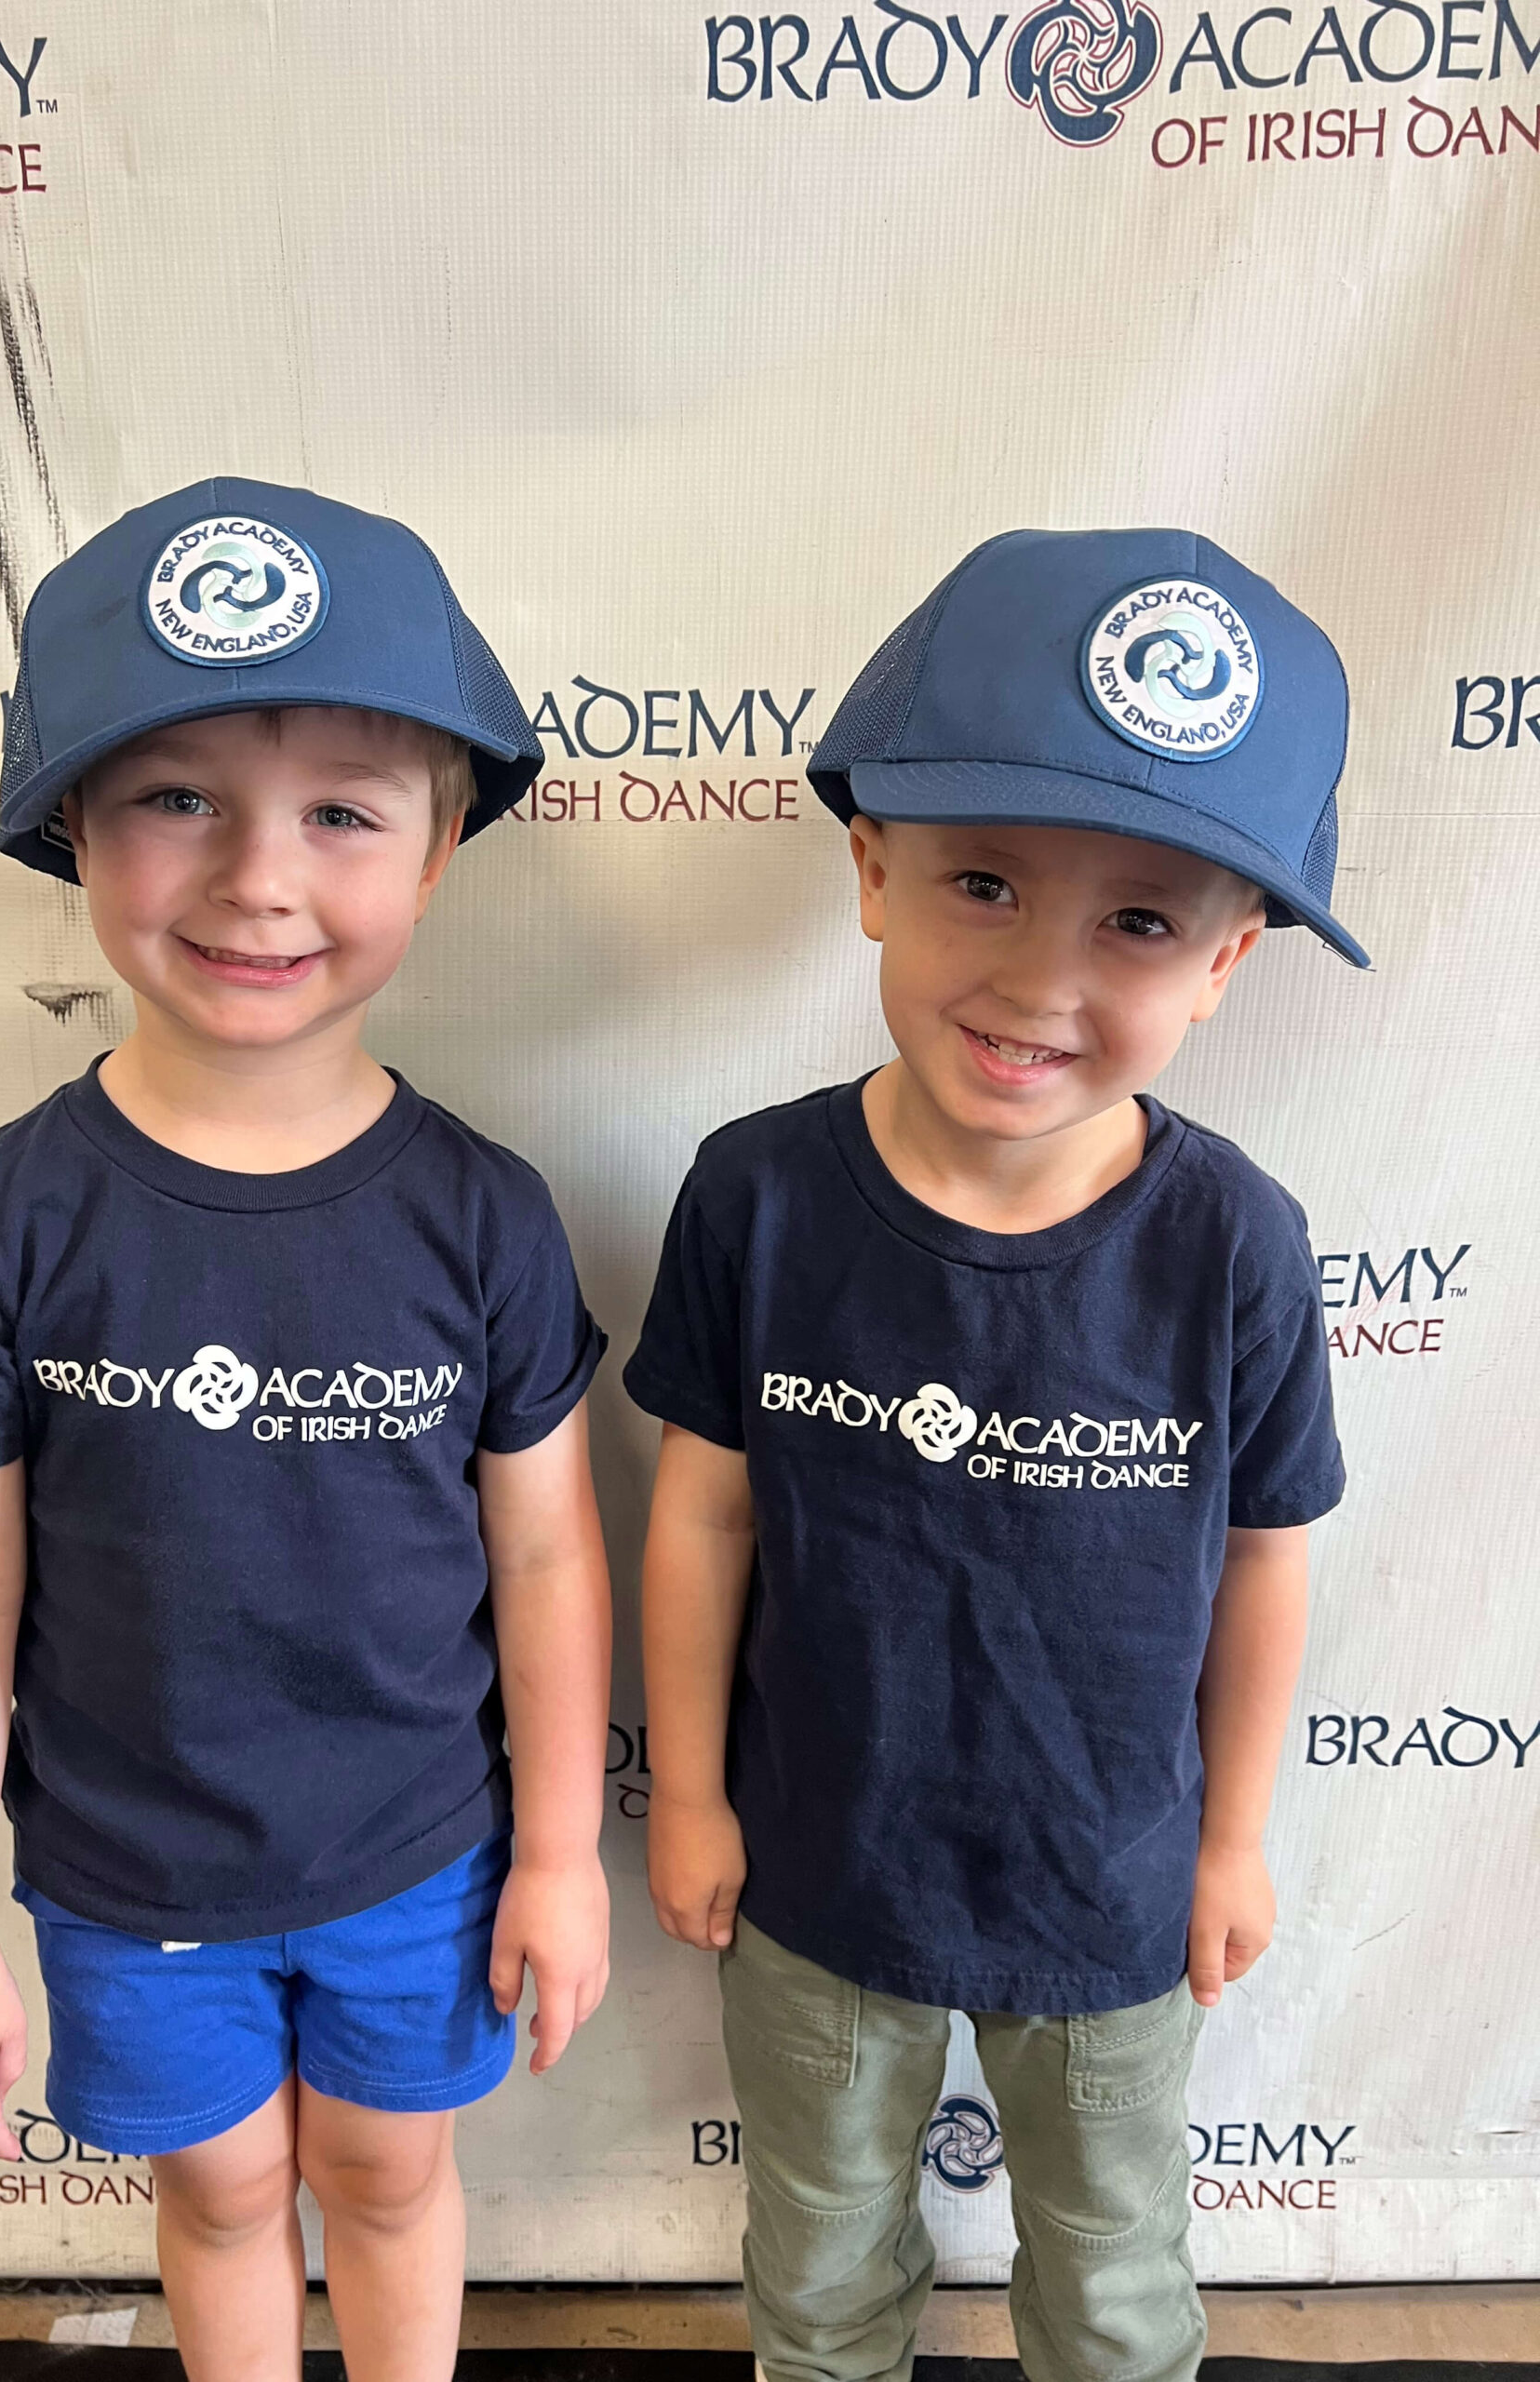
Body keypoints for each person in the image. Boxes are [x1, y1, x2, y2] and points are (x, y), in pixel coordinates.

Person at [0, 480, 612, 2382]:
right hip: (128, 1876)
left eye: (344, 810)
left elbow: (543, 1551)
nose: (260, 879)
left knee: (383, 2171)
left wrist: (563, 1849)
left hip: (420, 1857)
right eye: (177, 797)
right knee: (215, 2193)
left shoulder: (484, 1214)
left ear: (438, 851)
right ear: (73, 832)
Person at [626, 528, 1359, 2382]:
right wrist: (695, 1792)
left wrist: (1237, 1833)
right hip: (814, 1865)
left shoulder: (1234, 1244)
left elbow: (1268, 1547)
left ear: (1225, 963)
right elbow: (703, 1507)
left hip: (1109, 1881)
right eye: (983, 878)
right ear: (871, 866)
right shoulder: (759, 1193)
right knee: (816, 2273)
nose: (1040, 976)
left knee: (1114, 2290)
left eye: (1137, 918)